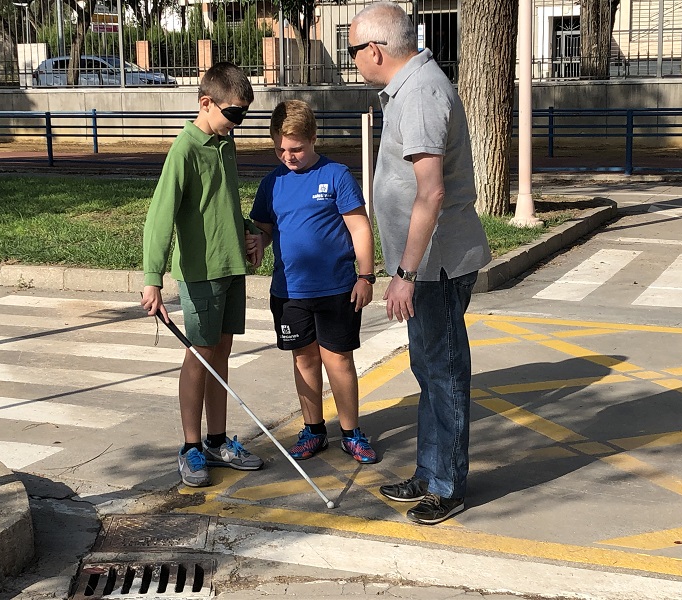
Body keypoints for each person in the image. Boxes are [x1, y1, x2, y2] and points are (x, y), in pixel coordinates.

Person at [349, 3, 491, 524]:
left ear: (376, 51)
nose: (354, 63)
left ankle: (447, 485)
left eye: (352, 52)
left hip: (437, 266)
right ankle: (431, 472)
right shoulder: (410, 90)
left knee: (445, 372)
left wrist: (404, 274)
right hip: (425, 266)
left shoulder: (423, 94)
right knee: (430, 370)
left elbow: (430, 194)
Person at [141, 62, 265, 488]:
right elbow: (160, 216)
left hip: (231, 267)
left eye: (243, 116)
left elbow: (226, 203)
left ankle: (217, 440)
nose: (237, 123)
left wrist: (251, 234)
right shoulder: (186, 150)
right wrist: (152, 277)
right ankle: (191, 446)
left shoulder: (223, 145)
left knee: (221, 353)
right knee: (200, 355)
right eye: (233, 114)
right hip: (202, 273)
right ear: (205, 103)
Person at [250, 99, 378, 464]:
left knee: (337, 360)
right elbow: (265, 228)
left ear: (313, 138)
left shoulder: (336, 175)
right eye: (280, 149)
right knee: (304, 360)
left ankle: (351, 432)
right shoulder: (272, 182)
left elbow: (359, 227)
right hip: (289, 292)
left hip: (337, 288)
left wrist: (366, 276)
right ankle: (314, 429)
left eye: (296, 149)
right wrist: (259, 240)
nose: (288, 156)